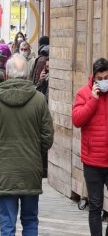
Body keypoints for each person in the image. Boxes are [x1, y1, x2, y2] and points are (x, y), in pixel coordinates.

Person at [0, 54, 54, 236]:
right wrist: (36, 153)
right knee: (30, 221)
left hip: (4, 170)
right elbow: (47, 136)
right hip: (30, 170)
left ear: (7, 74)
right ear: (27, 74)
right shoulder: (38, 100)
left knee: (7, 224)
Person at [72, 58, 108, 236]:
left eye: (106, 77)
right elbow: (77, 120)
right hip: (93, 161)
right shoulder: (83, 93)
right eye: (99, 78)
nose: (103, 82)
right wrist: (93, 100)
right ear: (93, 78)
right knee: (95, 206)